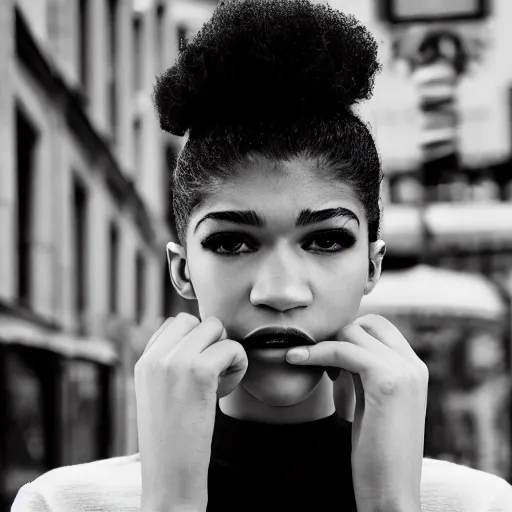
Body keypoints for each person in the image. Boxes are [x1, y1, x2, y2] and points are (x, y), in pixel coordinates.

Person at [11, 1, 512, 511]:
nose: (279, 291)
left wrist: (392, 506)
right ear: (182, 270)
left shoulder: (480, 504)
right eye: (232, 243)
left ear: (372, 265)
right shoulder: (61, 503)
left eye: (326, 240)